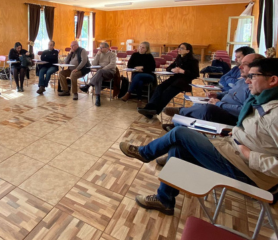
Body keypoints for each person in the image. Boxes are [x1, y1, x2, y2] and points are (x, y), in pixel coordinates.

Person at [119, 58, 278, 216]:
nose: (247, 81)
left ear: (272, 80)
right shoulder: (260, 101)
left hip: (247, 170)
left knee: (180, 132)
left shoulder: (275, 115)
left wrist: (250, 156)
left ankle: (146, 153)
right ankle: (164, 200)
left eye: (253, 77)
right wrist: (237, 132)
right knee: (178, 148)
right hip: (231, 152)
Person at [163, 53, 265, 129]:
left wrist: (219, 104)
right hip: (222, 105)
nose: (239, 67)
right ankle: (178, 126)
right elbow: (230, 92)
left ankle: (180, 112)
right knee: (198, 104)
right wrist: (217, 95)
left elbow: (244, 111)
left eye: (245, 64)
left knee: (208, 109)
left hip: (231, 115)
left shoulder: (256, 86)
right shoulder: (243, 80)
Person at [138, 43, 199, 119]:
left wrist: (182, 71)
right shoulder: (178, 58)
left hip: (183, 82)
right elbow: (169, 68)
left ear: (188, 51)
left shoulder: (193, 61)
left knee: (167, 92)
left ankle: (155, 111)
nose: (179, 49)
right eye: (179, 48)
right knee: (159, 88)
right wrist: (172, 69)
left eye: (182, 48)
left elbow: (195, 74)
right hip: (173, 79)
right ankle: (149, 107)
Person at [83, 42, 116, 107]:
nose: (100, 49)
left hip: (110, 72)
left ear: (107, 48)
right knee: (99, 78)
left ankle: (89, 85)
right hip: (100, 73)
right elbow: (94, 64)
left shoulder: (112, 54)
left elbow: (112, 64)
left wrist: (103, 69)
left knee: (100, 72)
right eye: (100, 47)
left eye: (102, 47)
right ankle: (98, 98)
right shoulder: (99, 54)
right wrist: (97, 55)